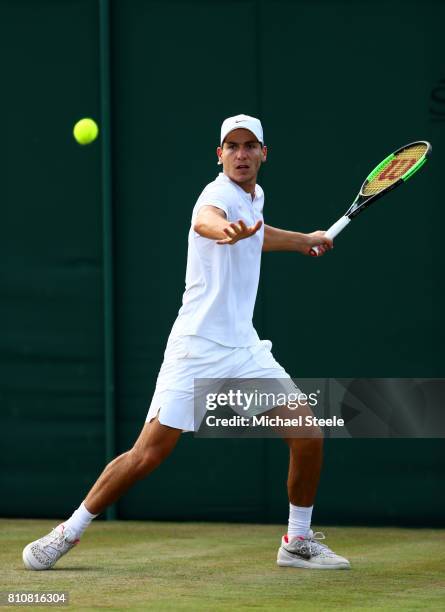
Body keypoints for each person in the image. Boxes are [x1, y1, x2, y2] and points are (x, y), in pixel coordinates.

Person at [22, 114, 350, 571]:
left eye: (249, 146)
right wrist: (223, 230)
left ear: (263, 154)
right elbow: (205, 222)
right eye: (231, 146)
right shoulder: (216, 195)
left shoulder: (254, 198)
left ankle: (296, 540)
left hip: (243, 348)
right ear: (219, 155)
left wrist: (302, 241)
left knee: (308, 434)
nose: (240, 154)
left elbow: (256, 234)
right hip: (196, 347)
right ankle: (68, 531)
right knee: (148, 454)